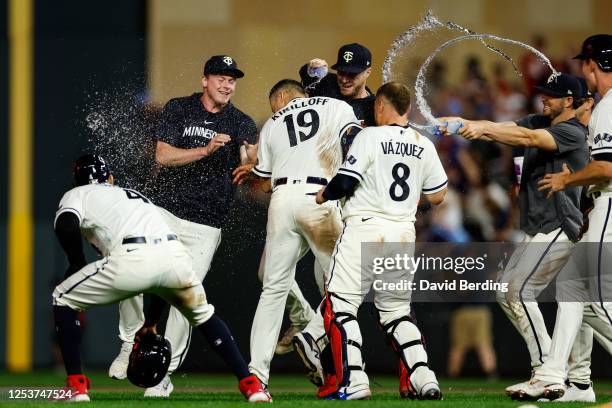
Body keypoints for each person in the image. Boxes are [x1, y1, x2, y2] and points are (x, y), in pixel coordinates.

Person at [52, 154, 270, 402]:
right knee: (205, 317)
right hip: (174, 257)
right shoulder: (133, 197)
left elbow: (66, 224)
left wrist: (76, 262)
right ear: (110, 178)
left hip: (132, 258)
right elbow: (159, 276)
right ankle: (251, 385)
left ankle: (76, 387)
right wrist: (151, 324)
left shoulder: (77, 194)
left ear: (77, 182)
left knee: (62, 298)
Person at [108, 55, 258, 397]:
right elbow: (163, 156)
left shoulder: (241, 122)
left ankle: (163, 373)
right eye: (221, 76)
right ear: (205, 80)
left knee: (186, 298)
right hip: (165, 212)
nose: (227, 84)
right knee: (127, 265)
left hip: (206, 224)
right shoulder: (180, 108)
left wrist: (253, 163)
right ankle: (129, 339)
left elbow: (252, 157)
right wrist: (204, 151)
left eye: (232, 79)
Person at [441, 73, 590, 398]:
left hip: (560, 226)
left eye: (552, 95)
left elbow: (528, 139)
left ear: (569, 101)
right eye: (543, 93)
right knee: (586, 310)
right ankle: (580, 381)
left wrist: (481, 127)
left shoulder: (572, 131)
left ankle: (546, 371)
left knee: (514, 290)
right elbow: (511, 130)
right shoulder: (540, 119)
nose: (543, 98)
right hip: (540, 227)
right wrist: (465, 122)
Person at [315, 82, 447, 400]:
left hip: (365, 227)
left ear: (380, 106)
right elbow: (438, 195)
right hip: (402, 232)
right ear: (408, 109)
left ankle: (355, 380)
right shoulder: (422, 143)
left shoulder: (369, 136)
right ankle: (424, 378)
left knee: (340, 307)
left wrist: (325, 193)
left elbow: (347, 180)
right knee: (396, 313)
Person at [234, 79, 361, 390]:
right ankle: (313, 334)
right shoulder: (336, 106)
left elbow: (264, 184)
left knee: (272, 290)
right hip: (321, 196)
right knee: (346, 283)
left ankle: (257, 375)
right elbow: (356, 142)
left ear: (281, 97)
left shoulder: (273, 124)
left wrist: (253, 164)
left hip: (282, 200)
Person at [519, 34, 612, 402]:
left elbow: (606, 168)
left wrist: (567, 179)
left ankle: (555, 374)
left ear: (593, 65)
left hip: (610, 201)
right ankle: (555, 375)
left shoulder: (607, 106)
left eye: (585, 64)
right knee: (574, 290)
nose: (583, 70)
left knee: (600, 301)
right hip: (602, 205)